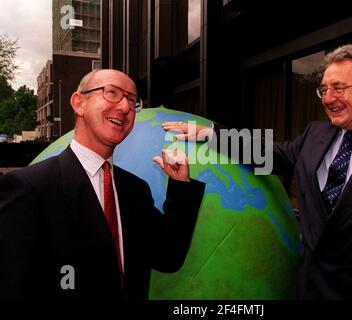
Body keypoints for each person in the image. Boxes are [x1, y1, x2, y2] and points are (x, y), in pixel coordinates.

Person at [162, 45, 352, 299]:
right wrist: (210, 134)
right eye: (323, 90)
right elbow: (273, 155)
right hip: (310, 290)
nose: (328, 98)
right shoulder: (316, 133)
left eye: (339, 88)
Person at [0, 69, 205, 299]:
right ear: (79, 103)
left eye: (131, 100)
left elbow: (168, 256)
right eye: (112, 93)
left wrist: (180, 185)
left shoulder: (135, 190)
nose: (125, 107)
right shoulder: (30, 188)